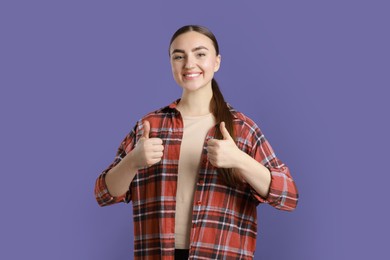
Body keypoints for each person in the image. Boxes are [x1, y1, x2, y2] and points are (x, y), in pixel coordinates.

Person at [94, 25, 298, 259]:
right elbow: (103, 194)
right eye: (179, 56)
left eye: (200, 54)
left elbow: (288, 196)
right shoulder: (149, 126)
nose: (189, 64)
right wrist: (132, 162)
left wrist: (240, 160)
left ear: (217, 62)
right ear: (171, 64)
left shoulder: (242, 128)